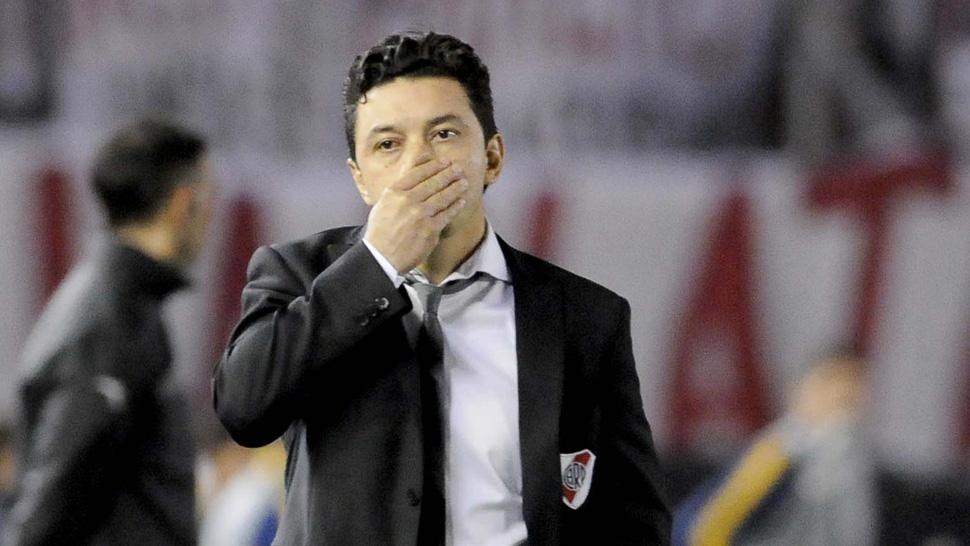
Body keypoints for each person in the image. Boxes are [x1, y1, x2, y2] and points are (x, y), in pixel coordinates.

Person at [213, 31, 670, 545]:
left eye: (444, 134)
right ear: (360, 178)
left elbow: (636, 522)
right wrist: (377, 263)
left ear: (492, 157)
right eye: (388, 144)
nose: (418, 163)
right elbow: (244, 410)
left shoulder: (585, 318)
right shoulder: (298, 274)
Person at [1, 118, 214, 545]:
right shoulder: (110, 320)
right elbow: (51, 498)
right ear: (183, 203)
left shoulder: (122, 306)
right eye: (209, 198)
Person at [672, 349, 877, 546]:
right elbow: (704, 529)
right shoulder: (780, 453)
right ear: (798, 390)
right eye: (830, 384)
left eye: (853, 389)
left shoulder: (849, 457)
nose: (841, 397)